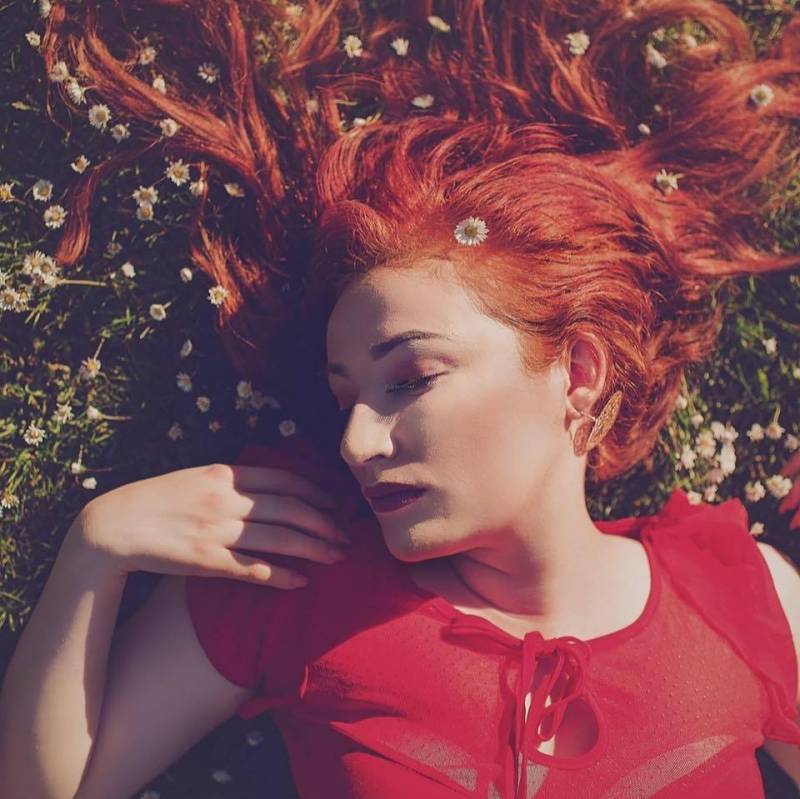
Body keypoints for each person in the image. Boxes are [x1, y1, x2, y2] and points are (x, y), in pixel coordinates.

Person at [1, 1, 799, 797]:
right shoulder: (294, 579)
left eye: (412, 378)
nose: (356, 441)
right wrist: (94, 552)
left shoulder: (737, 593)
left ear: (579, 372)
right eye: (344, 396)